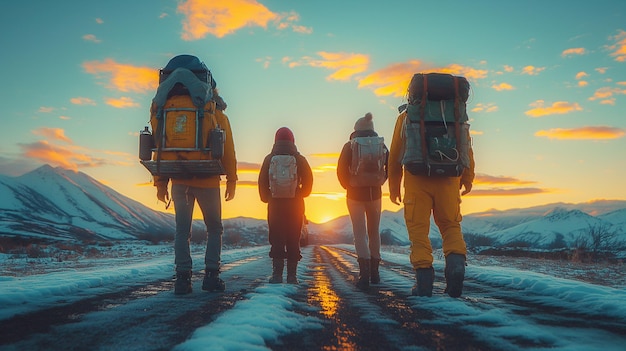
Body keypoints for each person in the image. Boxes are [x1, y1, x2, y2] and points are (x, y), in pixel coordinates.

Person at [154, 83, 237, 295]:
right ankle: (211, 276)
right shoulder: (215, 111)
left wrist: (161, 183)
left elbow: (161, 148)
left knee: (182, 231)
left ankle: (182, 279)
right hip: (208, 180)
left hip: (179, 179)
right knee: (214, 229)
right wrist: (231, 179)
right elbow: (228, 149)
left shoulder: (167, 110)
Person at [388, 108, 475, 298]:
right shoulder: (453, 114)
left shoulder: (407, 116)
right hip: (449, 179)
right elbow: (466, 146)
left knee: (418, 231)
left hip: (417, 180)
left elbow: (395, 152)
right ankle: (456, 268)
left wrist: (393, 186)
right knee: (451, 225)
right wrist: (467, 177)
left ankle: (424, 283)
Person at [336, 113, 388, 290]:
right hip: (376, 195)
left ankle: (364, 275)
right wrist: (380, 181)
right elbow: (388, 167)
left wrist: (349, 185)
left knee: (360, 233)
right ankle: (375, 273)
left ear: (356, 129)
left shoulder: (349, 146)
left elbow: (340, 171)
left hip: (354, 195)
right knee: (374, 232)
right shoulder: (381, 145)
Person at [258, 127, 313, 284]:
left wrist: (267, 198)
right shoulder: (299, 159)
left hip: (275, 205)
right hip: (295, 205)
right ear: (292, 140)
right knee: (293, 238)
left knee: (276, 238)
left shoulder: (269, 158)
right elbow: (309, 182)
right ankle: (292, 276)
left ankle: (276, 275)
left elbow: (262, 181)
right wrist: (300, 194)